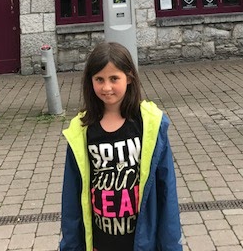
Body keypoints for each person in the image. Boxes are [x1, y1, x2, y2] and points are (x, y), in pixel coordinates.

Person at [60, 41, 182, 251]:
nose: (106, 87)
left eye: (114, 78)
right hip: (100, 243)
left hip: (141, 243)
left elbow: (166, 191)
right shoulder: (82, 130)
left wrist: (171, 246)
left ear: (129, 77)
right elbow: (71, 197)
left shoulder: (149, 125)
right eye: (99, 79)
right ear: (90, 81)